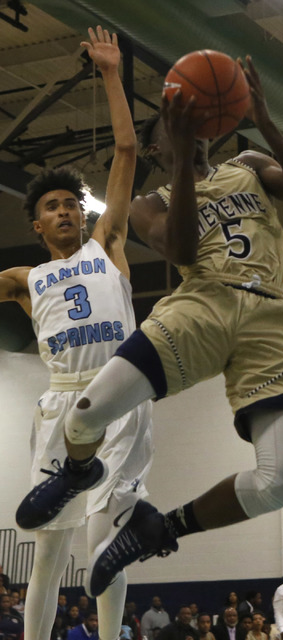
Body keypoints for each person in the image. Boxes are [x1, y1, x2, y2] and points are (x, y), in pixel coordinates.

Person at [16, 54, 283, 597]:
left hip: (274, 318)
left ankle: (162, 527)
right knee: (85, 417)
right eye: (174, 113)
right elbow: (181, 247)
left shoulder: (248, 164)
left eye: (196, 108)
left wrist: (270, 124)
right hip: (202, 306)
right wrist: (183, 162)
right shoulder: (145, 204)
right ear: (160, 146)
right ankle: (78, 472)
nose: (191, 114)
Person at [3, 26, 152, 640]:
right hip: (60, 400)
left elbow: (125, 152)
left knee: (106, 540)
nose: (66, 210)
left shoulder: (107, 244)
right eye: (53, 207)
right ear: (38, 224)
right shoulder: (22, 278)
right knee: (48, 550)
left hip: (118, 395)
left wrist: (112, 75)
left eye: (72, 203)